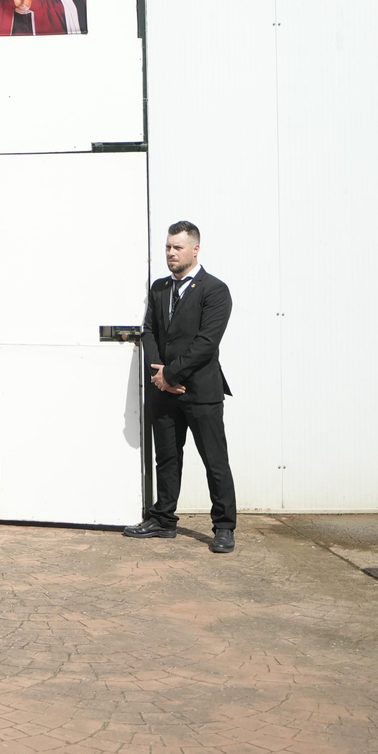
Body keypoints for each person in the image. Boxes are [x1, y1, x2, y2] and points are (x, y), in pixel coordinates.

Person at [125, 221, 238, 552]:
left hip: (200, 392)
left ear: (195, 249)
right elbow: (148, 331)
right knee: (167, 458)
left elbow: (206, 343)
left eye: (177, 247)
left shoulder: (215, 290)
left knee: (214, 461)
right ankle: (163, 520)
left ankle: (224, 526)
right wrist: (158, 373)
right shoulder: (160, 288)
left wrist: (170, 374)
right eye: (167, 247)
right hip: (163, 392)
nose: (171, 253)